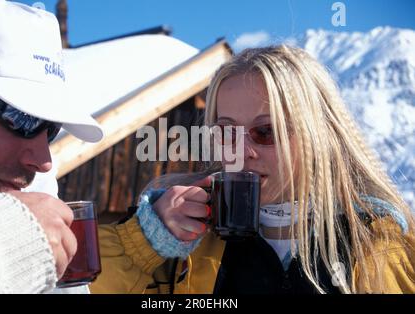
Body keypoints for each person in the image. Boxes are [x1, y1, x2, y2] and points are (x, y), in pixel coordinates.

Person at [91, 45, 414, 294]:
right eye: (226, 132)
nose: (242, 152)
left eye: (266, 132)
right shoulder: (183, 238)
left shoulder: (378, 241)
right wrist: (142, 241)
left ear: (318, 136)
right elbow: (82, 285)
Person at [0, 0, 103, 293]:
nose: (44, 161)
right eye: (21, 118)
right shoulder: (17, 225)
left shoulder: (37, 202)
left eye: (50, 129)